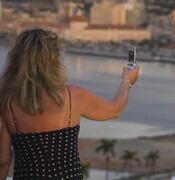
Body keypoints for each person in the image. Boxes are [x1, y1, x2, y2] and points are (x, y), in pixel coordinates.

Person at [0, 29, 139, 179]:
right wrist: (127, 81)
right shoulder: (72, 96)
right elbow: (115, 109)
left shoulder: (7, 101)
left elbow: (3, 160)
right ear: (54, 60)